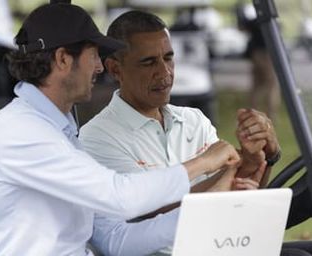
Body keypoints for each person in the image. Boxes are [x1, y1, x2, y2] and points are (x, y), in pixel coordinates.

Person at [0, 3, 242, 256]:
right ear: (62, 59)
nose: (99, 67)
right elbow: (120, 198)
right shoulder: (19, 132)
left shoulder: (58, 132)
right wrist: (204, 162)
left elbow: (114, 239)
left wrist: (208, 206)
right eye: (93, 55)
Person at [79, 10, 281, 255]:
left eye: (168, 58)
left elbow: (238, 188)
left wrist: (261, 157)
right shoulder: (98, 137)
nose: (164, 72)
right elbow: (146, 207)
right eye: (149, 62)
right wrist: (218, 171)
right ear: (115, 69)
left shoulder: (193, 120)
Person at [235, 1, 280, 121]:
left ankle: (251, 113)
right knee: (271, 85)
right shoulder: (266, 22)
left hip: (256, 55)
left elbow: (242, 27)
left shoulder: (254, 22)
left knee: (256, 85)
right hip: (266, 54)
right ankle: (270, 114)